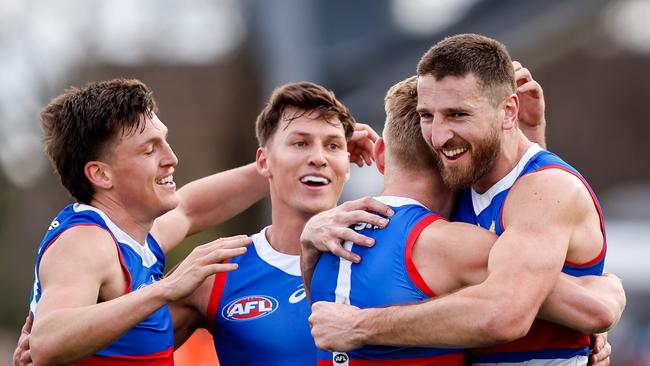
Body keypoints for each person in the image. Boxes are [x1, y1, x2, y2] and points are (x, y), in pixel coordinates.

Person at [302, 34, 620, 365]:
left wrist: (361, 327)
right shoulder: (460, 185)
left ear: (508, 111)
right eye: (427, 115)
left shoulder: (547, 189)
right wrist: (310, 239)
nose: (437, 137)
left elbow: (504, 314)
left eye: (457, 114)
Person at [21, 78, 278, 365]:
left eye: (164, 141)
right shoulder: (86, 242)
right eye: (149, 149)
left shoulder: (133, 235)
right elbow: (46, 343)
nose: (171, 158)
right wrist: (165, 289)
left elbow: (192, 208)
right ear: (101, 175)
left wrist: (282, 163)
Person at [167, 81, 365, 365]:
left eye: (332, 146)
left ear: (347, 165)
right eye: (300, 143)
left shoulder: (383, 254)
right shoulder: (218, 271)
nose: (319, 158)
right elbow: (122, 355)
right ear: (263, 162)